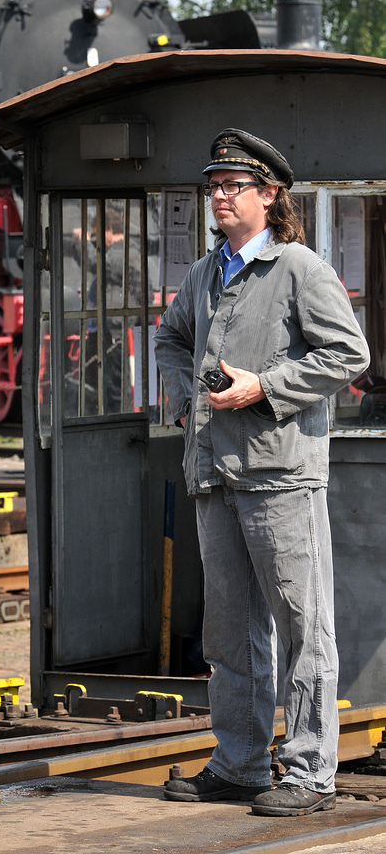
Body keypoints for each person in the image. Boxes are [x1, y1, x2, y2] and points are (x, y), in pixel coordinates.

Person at [154, 129, 370, 817]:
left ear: (269, 195)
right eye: (212, 185)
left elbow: (346, 356)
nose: (218, 196)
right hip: (214, 474)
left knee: (303, 627)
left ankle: (308, 774)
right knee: (228, 630)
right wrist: (186, 404)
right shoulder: (203, 272)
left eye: (232, 186)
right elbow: (168, 339)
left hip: (280, 475)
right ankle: (240, 763)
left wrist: (264, 386)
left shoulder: (299, 269)